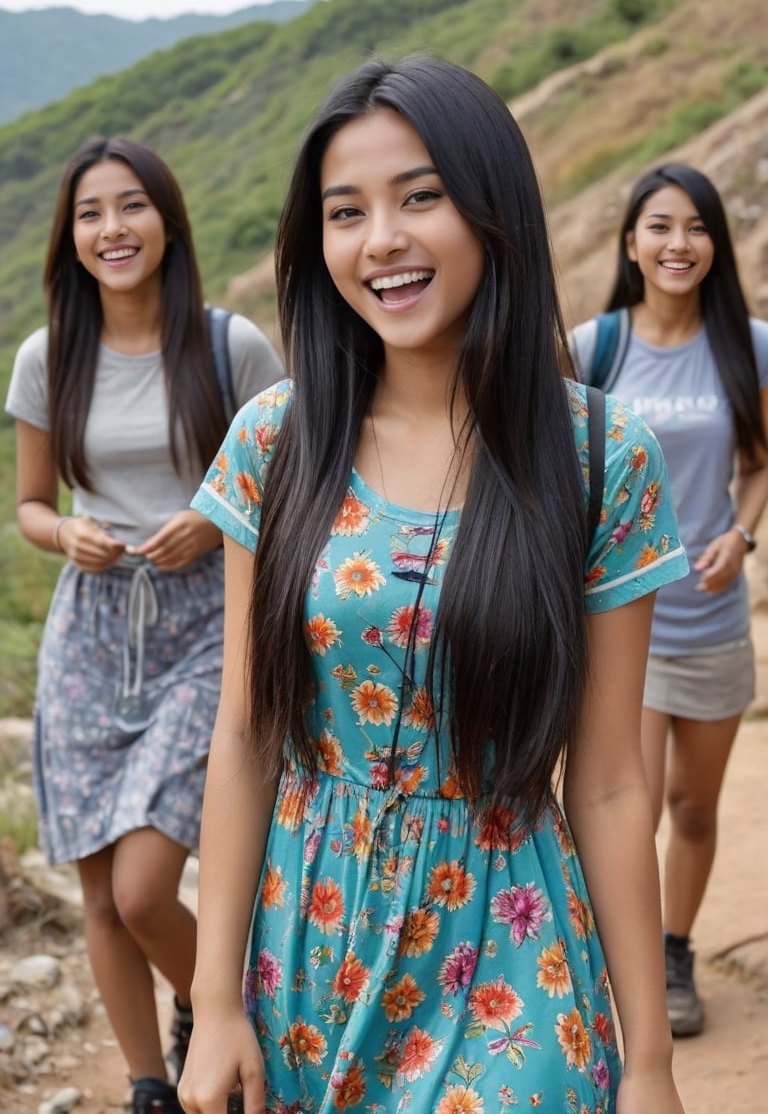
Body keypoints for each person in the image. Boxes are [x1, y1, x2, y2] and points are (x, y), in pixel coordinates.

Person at [178, 56, 690, 1114]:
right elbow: (246, 731)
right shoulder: (275, 441)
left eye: (421, 197)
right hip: (308, 950)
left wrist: (649, 1064)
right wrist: (214, 1000)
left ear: (493, 208)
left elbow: (606, 783)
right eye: (345, 212)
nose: (382, 242)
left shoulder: (601, 455)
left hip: (517, 949)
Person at [4, 136, 284, 1114]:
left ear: (167, 221)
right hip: (89, 636)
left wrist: (212, 517)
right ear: (70, 235)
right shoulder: (49, 354)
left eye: (131, 207)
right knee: (97, 898)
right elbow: (31, 503)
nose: (111, 229)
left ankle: (225, 1016)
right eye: (90, 213)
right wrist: (63, 532)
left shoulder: (230, 345)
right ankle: (150, 1089)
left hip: (209, 627)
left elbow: (289, 480)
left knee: (141, 887)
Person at [569, 162, 768, 1037]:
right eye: (659, 226)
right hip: (626, 628)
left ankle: (676, 948)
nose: (677, 243)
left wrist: (744, 533)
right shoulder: (592, 349)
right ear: (630, 245)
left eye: (694, 227)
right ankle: (624, 972)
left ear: (715, 245)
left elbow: (759, 464)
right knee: (630, 802)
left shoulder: (750, 345)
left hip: (716, 622)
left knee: (693, 809)